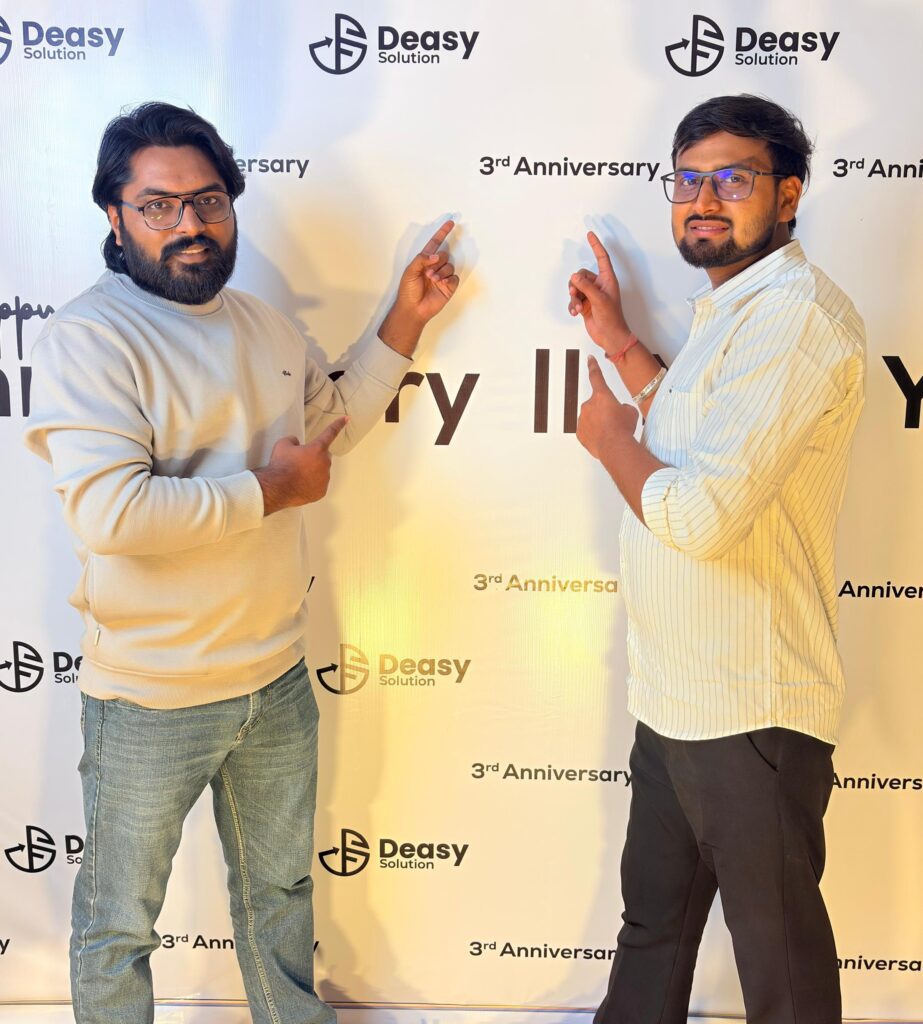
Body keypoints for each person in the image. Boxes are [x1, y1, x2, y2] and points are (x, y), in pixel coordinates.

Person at [24, 101, 459, 1024]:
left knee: (282, 901)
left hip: (275, 678)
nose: (190, 224)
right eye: (158, 205)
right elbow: (111, 513)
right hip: (150, 694)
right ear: (114, 216)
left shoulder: (262, 325)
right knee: (118, 926)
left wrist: (404, 320)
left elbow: (330, 423)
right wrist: (270, 489)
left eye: (209, 201)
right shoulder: (90, 336)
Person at [568, 94, 865, 1023]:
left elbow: (698, 516)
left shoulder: (794, 319)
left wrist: (610, 441)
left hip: (749, 709)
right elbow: (700, 437)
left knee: (780, 976)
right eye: (688, 180)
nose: (703, 200)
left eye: (731, 180)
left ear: (787, 195)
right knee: (651, 937)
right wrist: (621, 345)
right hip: (675, 700)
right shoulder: (735, 309)